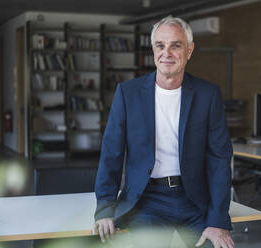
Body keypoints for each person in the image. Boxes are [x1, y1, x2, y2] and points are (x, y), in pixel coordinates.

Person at [94, 15, 234, 248]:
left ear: (189, 51)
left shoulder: (208, 95)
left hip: (195, 201)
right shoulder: (128, 93)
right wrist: (105, 208)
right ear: (153, 49)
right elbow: (111, 154)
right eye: (160, 45)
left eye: (175, 45)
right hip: (147, 201)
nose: (166, 53)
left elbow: (219, 159)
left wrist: (218, 220)